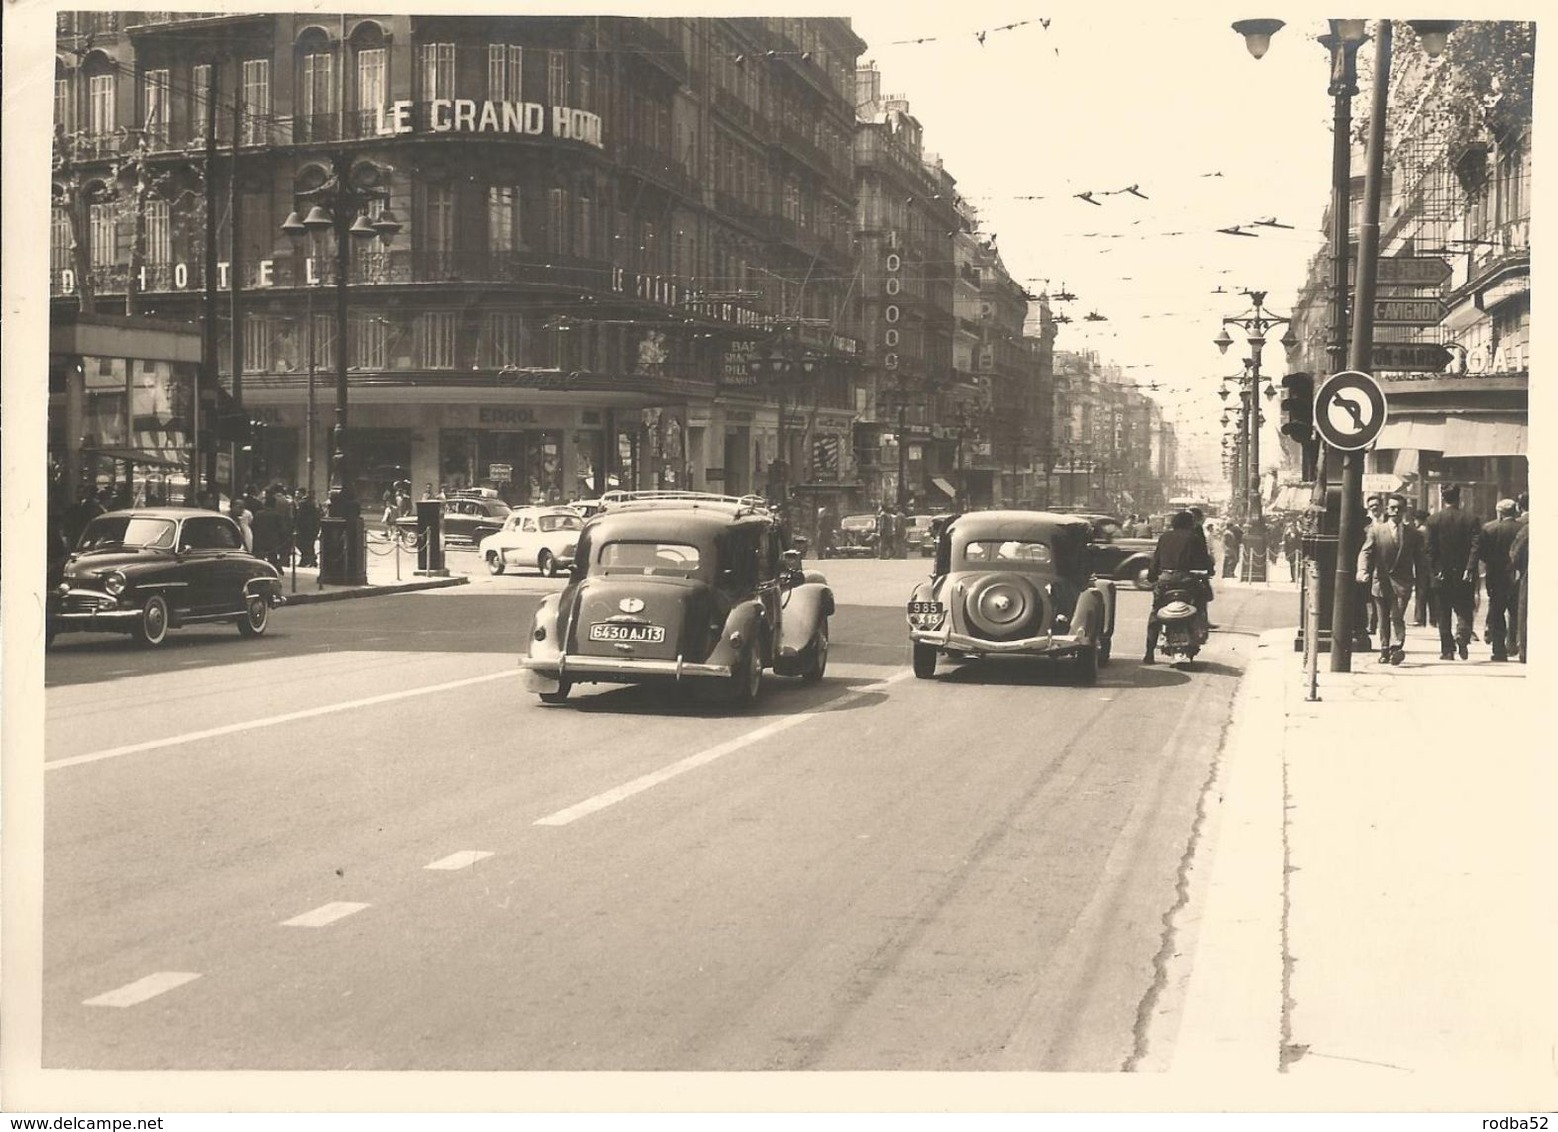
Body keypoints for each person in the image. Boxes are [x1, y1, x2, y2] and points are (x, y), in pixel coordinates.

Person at [1356, 493, 1426, 665]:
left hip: (1403, 583)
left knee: (1397, 615)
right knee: (1382, 618)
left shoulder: (1413, 534)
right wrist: (1362, 570)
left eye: (1399, 508)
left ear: (1405, 511)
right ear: (1387, 509)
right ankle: (1384, 649)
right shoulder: (1376, 531)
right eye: (1392, 507)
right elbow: (1366, 552)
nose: (1395, 511)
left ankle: (1396, 647)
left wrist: (1422, 582)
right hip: (1381, 581)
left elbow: (1420, 560)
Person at [1143, 509, 1215, 664]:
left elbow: (1155, 561)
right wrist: (1209, 570)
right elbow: (1204, 560)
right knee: (1200, 604)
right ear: (1190, 524)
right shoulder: (1194, 538)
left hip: (1165, 580)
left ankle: (1149, 652)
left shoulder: (1164, 537)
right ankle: (1200, 631)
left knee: (1155, 614)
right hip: (1187, 580)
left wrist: (1152, 576)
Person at [1470, 498, 1521, 662]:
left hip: (1496, 575)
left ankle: (1499, 650)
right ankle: (1515, 644)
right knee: (1516, 612)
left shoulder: (1489, 528)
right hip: (1518, 575)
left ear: (1499, 512)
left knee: (1497, 612)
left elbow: (1481, 553)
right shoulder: (1523, 529)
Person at [1510, 496, 1529, 663]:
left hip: (1528, 575)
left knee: (1525, 613)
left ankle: (1525, 651)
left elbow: (1515, 554)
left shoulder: (1525, 527)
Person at [294, 489, 321, 568]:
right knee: (310, 544)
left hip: (304, 527)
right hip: (313, 527)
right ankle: (311, 560)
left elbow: (299, 516)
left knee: (302, 544)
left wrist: (296, 526)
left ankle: (306, 560)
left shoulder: (302, 503)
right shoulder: (316, 503)